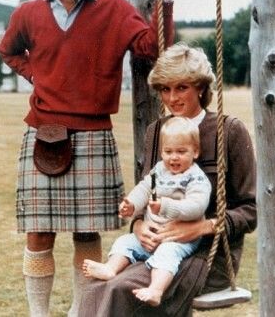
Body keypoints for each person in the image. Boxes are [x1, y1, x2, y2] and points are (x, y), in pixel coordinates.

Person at [0, 0, 174, 316]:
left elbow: (152, 47)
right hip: (43, 131)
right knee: (39, 232)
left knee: (86, 233)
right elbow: (7, 50)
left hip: (94, 131)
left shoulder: (113, 8)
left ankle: (82, 312)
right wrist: (35, 77)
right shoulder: (28, 13)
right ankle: (38, 314)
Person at [78, 42, 257, 317]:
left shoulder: (229, 131)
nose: (172, 98)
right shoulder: (157, 131)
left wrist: (200, 228)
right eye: (165, 89)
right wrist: (138, 226)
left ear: (200, 87)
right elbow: (148, 194)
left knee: (120, 290)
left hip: (206, 255)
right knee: (95, 287)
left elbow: (251, 210)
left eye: (181, 87)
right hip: (156, 249)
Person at [82, 116, 211, 307]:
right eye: (168, 152)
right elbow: (143, 189)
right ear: (161, 152)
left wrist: (166, 206)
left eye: (181, 152)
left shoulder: (196, 178)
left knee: (167, 254)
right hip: (151, 235)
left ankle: (156, 290)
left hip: (180, 239)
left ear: (195, 152)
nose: (174, 157)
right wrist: (132, 204)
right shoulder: (159, 171)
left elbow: (196, 206)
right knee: (125, 241)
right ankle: (111, 268)